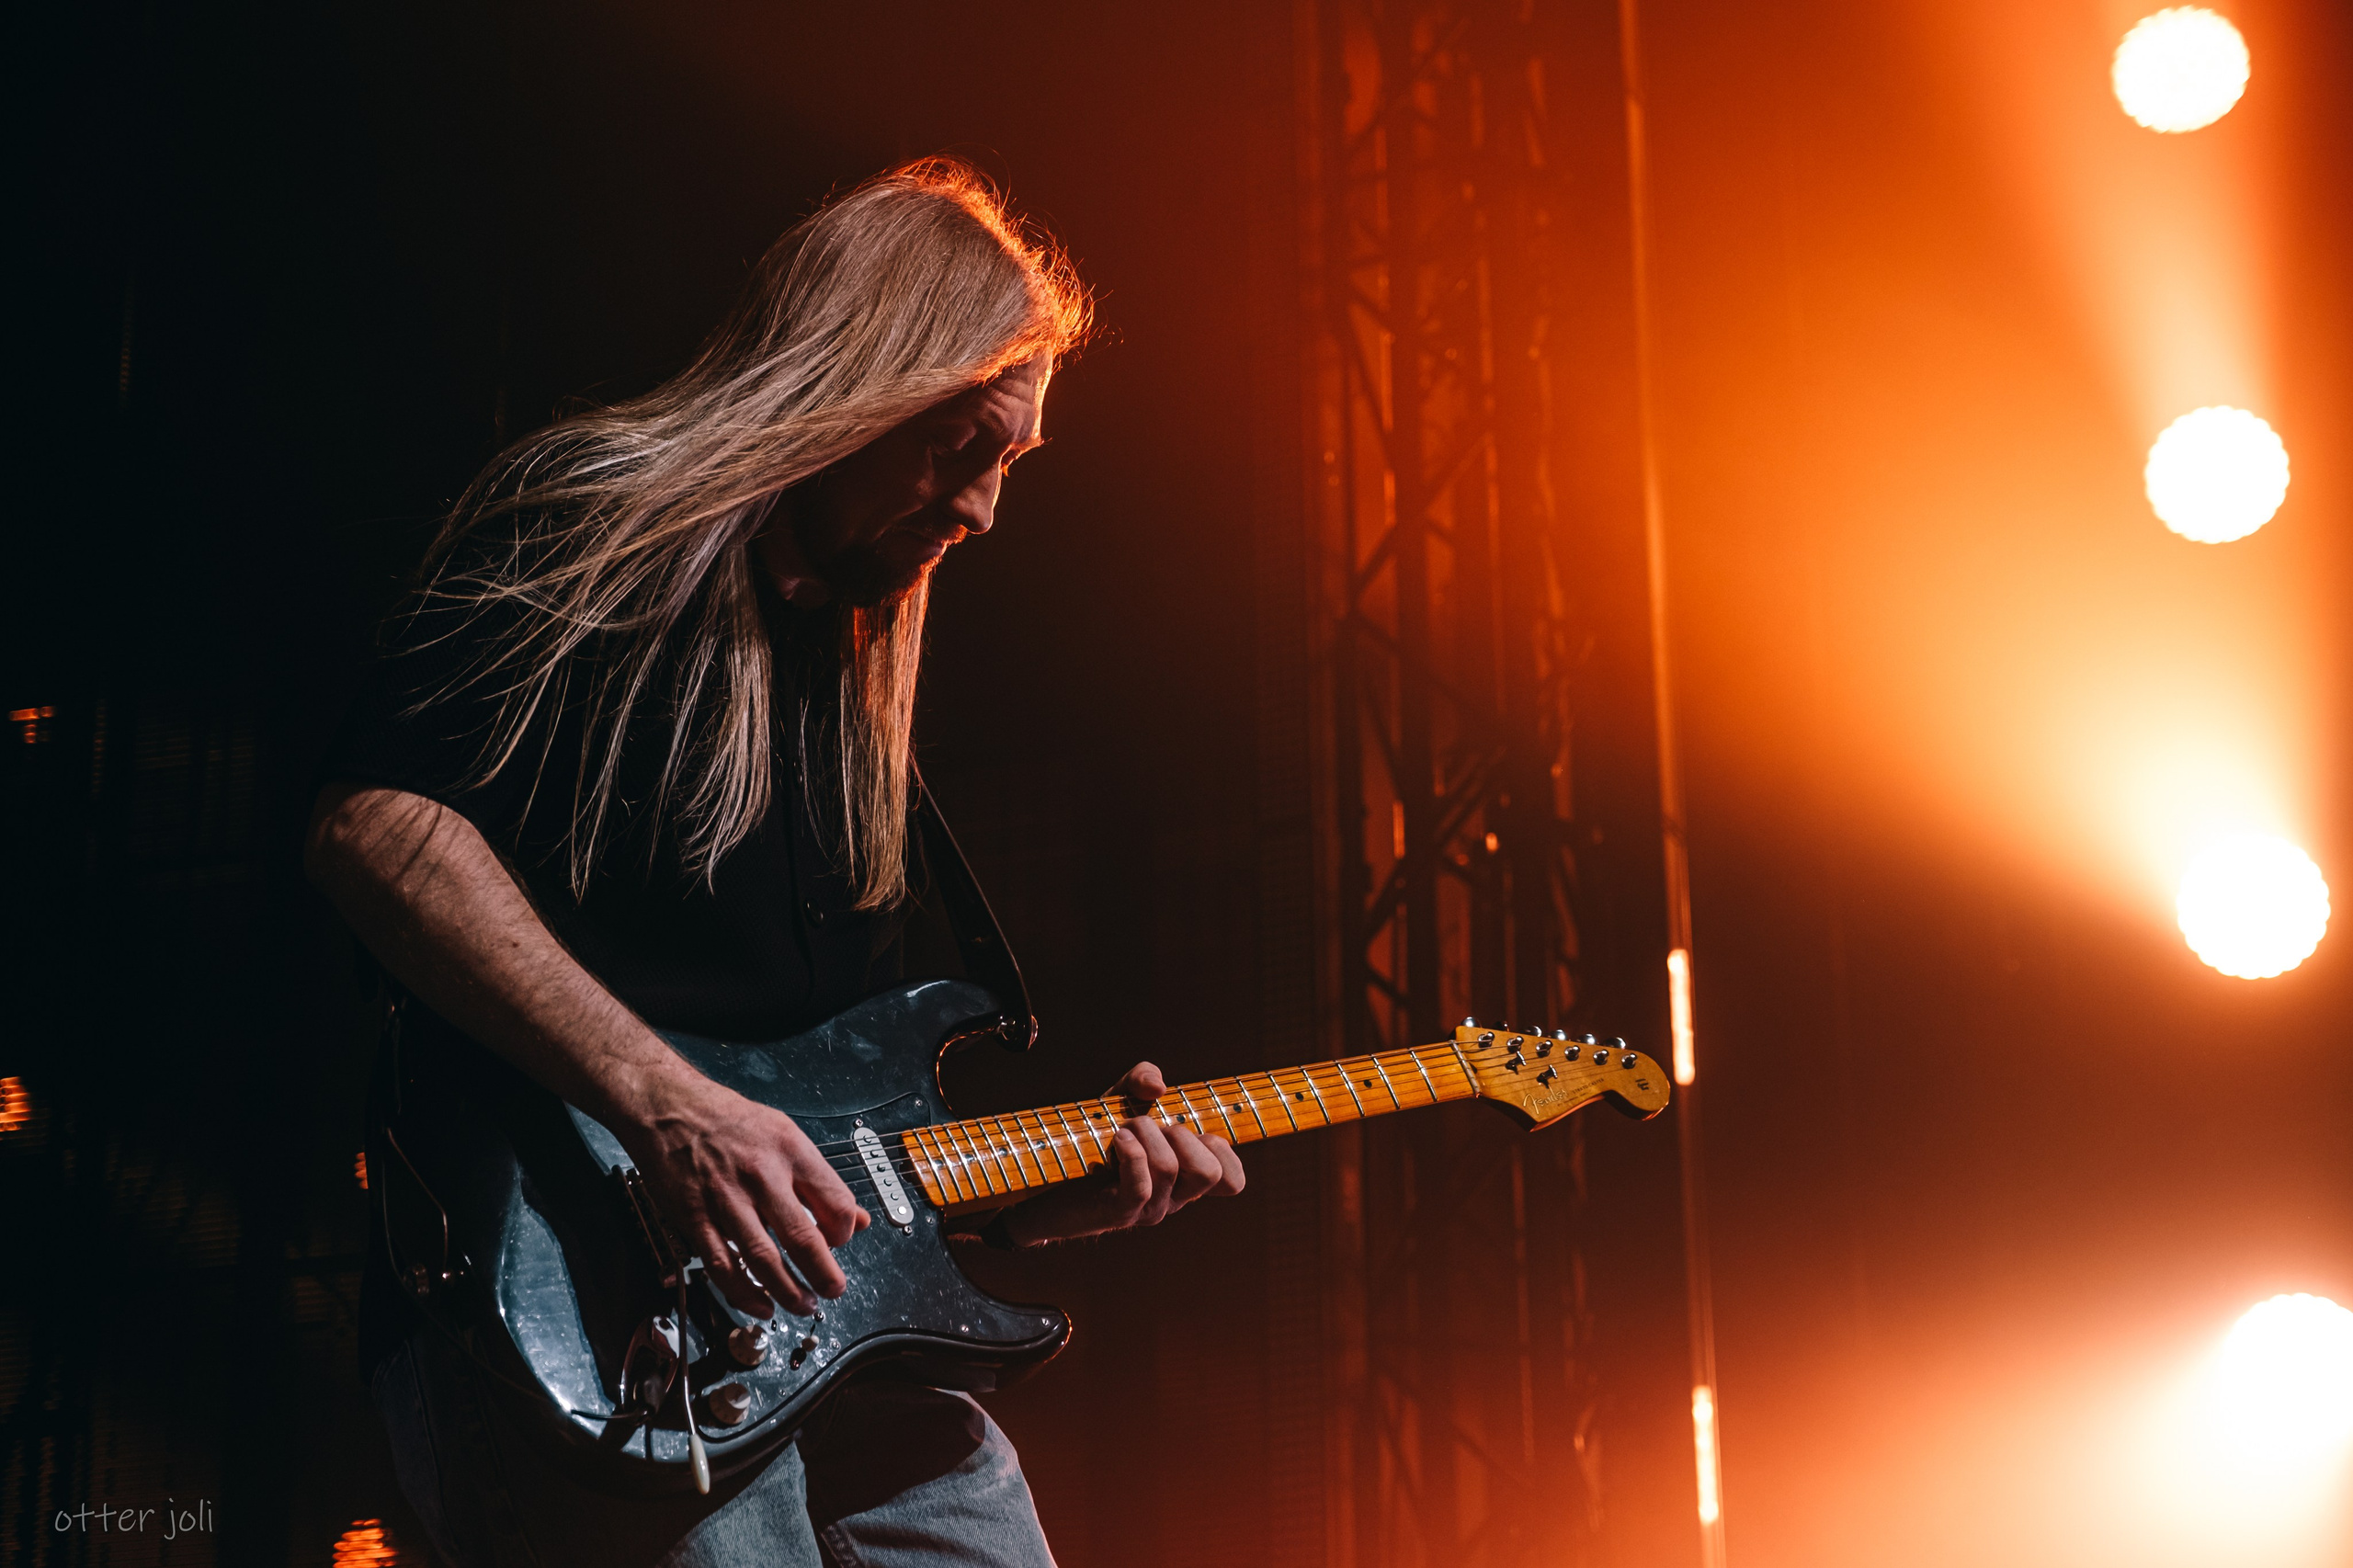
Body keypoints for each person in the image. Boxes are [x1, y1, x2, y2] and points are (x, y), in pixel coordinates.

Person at [304, 158, 1246, 1568]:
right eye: (960, 445)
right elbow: (376, 826)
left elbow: (839, 1131)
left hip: (817, 1346)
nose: (984, 510)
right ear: (853, 385)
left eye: (1011, 465)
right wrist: (668, 1107)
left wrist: (1053, 1196)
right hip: (582, 1323)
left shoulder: (849, 696)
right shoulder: (596, 527)